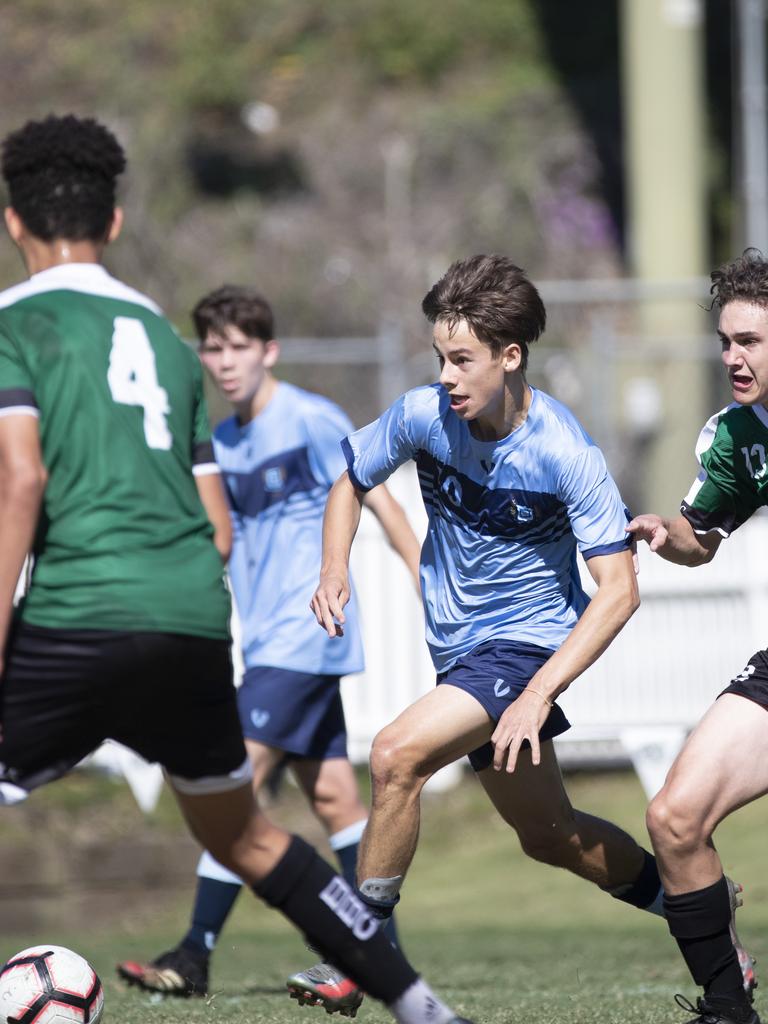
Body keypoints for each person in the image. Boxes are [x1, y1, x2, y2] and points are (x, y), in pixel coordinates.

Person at [0, 113, 472, 1024]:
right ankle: (420, 1007)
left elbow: (19, 478)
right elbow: (216, 526)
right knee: (251, 836)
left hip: (76, 612)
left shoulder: (16, 325)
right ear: (117, 223)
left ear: (14, 221)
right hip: (187, 620)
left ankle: (212, 952)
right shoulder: (169, 349)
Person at [306, 253, 755, 1011]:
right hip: (460, 654)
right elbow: (350, 478)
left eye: (462, 360)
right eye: (439, 358)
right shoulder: (424, 415)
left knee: (394, 756)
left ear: (510, 357)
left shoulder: (565, 454)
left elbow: (618, 593)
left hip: (524, 651)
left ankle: (360, 955)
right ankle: (706, 908)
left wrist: (538, 691)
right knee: (550, 837)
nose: (446, 376)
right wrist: (332, 567)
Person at [117, 284, 419, 1014]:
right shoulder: (219, 443)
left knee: (232, 781)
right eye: (212, 349)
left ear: (269, 350)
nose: (224, 363)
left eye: (238, 347)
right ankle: (382, 956)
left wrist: (421, 571)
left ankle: (195, 951)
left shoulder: (313, 420)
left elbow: (376, 497)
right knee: (335, 797)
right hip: (265, 646)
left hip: (308, 634)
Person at [627, 248, 768, 1024]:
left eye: (750, 340)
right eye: (726, 340)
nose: (732, 357)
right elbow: (701, 535)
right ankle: (727, 1008)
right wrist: (664, 531)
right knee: (675, 819)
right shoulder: (738, 436)